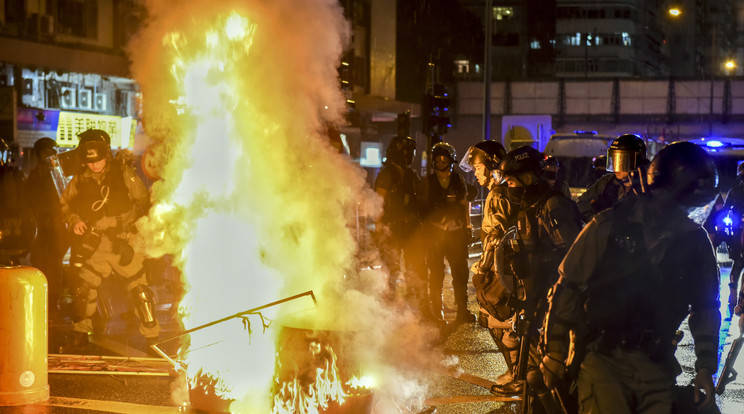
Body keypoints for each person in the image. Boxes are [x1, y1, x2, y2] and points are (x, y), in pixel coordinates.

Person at [540, 141, 721, 413]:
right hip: (604, 360)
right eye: (681, 205)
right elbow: (568, 288)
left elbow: (706, 307)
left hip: (657, 364)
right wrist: (554, 351)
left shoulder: (696, 242)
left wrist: (706, 367)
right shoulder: (606, 227)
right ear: (660, 191)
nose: (683, 215)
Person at [490, 146, 582, 411]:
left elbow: (573, 257)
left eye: (511, 180)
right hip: (533, 297)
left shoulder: (553, 206)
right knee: (532, 368)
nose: (508, 186)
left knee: (551, 371)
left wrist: (541, 271)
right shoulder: (529, 205)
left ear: (529, 178)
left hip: (552, 299)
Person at [60, 129, 160, 345]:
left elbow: (143, 203)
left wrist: (121, 224)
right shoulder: (79, 179)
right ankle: (80, 334)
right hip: (96, 244)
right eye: (89, 162)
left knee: (140, 292)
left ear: (106, 155)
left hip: (124, 240)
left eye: (97, 160)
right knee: (83, 290)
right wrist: (74, 219)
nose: (93, 166)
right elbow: (64, 205)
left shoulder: (123, 173)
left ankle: (152, 338)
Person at [460, 139, 521, 384]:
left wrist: (482, 271)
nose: (475, 172)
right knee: (515, 324)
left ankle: (518, 375)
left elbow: (497, 239)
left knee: (494, 320)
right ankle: (521, 372)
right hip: (518, 269)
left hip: (502, 271)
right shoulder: (511, 188)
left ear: (492, 164)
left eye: (477, 167)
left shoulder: (496, 195)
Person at [420, 142, 474, 324]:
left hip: (455, 233)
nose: (441, 162)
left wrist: (467, 227)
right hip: (435, 234)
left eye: (445, 158)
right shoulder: (427, 182)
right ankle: (436, 312)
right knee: (435, 274)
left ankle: (462, 311)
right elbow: (423, 211)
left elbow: (464, 204)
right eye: (438, 158)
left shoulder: (459, 181)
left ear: (451, 160)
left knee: (460, 273)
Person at [374, 135, 427, 314]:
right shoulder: (387, 174)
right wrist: (379, 225)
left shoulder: (411, 174)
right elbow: (379, 201)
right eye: (406, 152)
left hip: (410, 229)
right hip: (392, 228)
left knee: (413, 268)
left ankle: (413, 307)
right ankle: (388, 308)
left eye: (411, 152)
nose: (409, 156)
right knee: (392, 270)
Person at [25, 137, 70, 320]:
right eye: (44, 152)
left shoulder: (59, 174)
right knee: (39, 266)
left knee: (54, 266)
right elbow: (27, 201)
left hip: (56, 229)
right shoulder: (34, 175)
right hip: (39, 230)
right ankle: (42, 301)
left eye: (50, 152)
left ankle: (52, 301)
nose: (47, 156)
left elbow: (65, 198)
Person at [576, 134, 649, 222]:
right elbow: (582, 203)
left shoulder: (648, 184)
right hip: (607, 234)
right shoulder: (607, 181)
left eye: (621, 161)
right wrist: (596, 221)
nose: (615, 167)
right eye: (614, 160)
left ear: (637, 161)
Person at [719, 162, 744, 313]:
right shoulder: (735, 190)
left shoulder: (734, 190)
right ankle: (733, 295)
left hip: (737, 228)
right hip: (736, 229)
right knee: (738, 262)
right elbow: (726, 208)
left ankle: (737, 296)